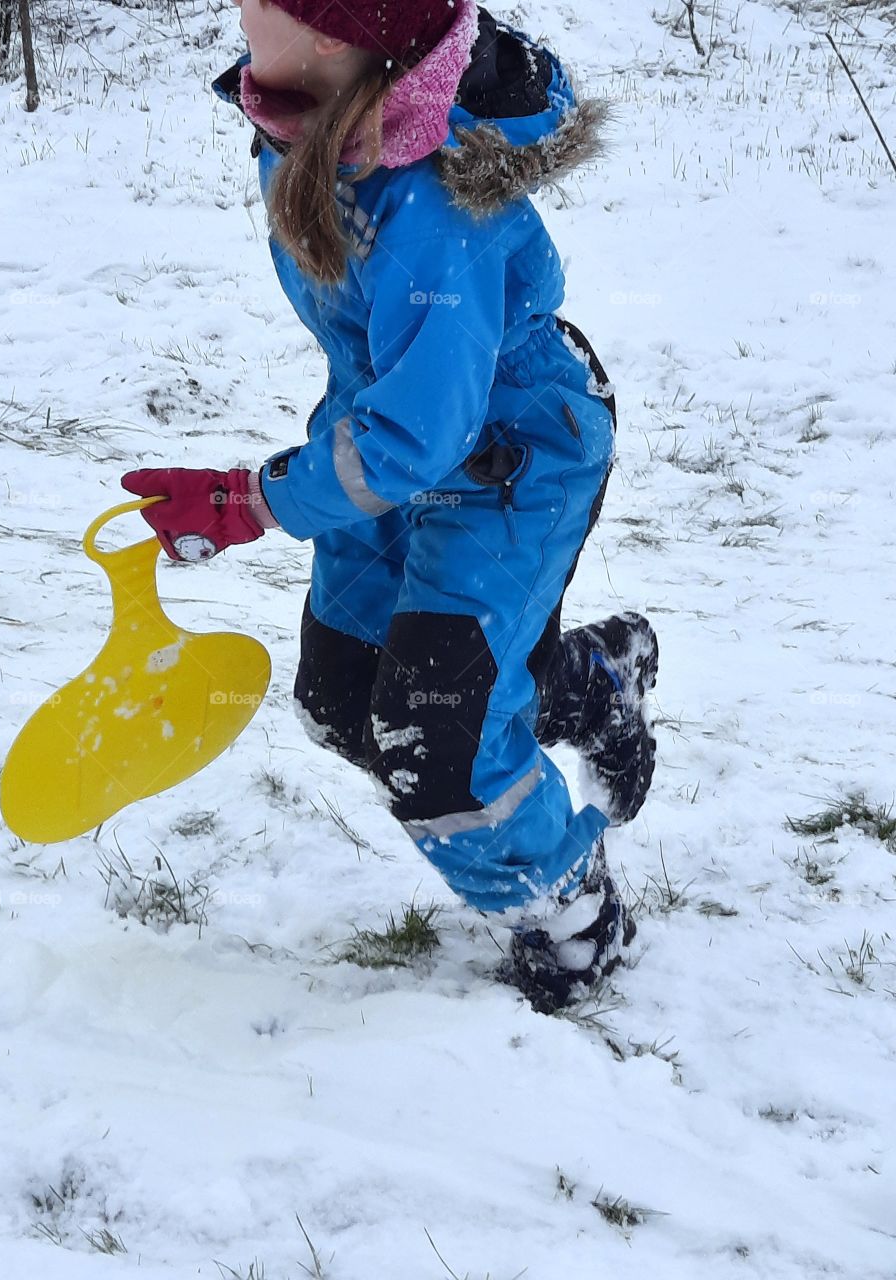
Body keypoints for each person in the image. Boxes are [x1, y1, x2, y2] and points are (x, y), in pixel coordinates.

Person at [120, 0, 659, 1015]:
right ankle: (588, 681)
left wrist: (248, 500)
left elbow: (428, 430)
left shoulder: (435, 203)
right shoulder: (303, 102)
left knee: (437, 737)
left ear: (331, 33)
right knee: (342, 695)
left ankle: (573, 916)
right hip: (383, 430)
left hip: (508, 457)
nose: (234, 12)